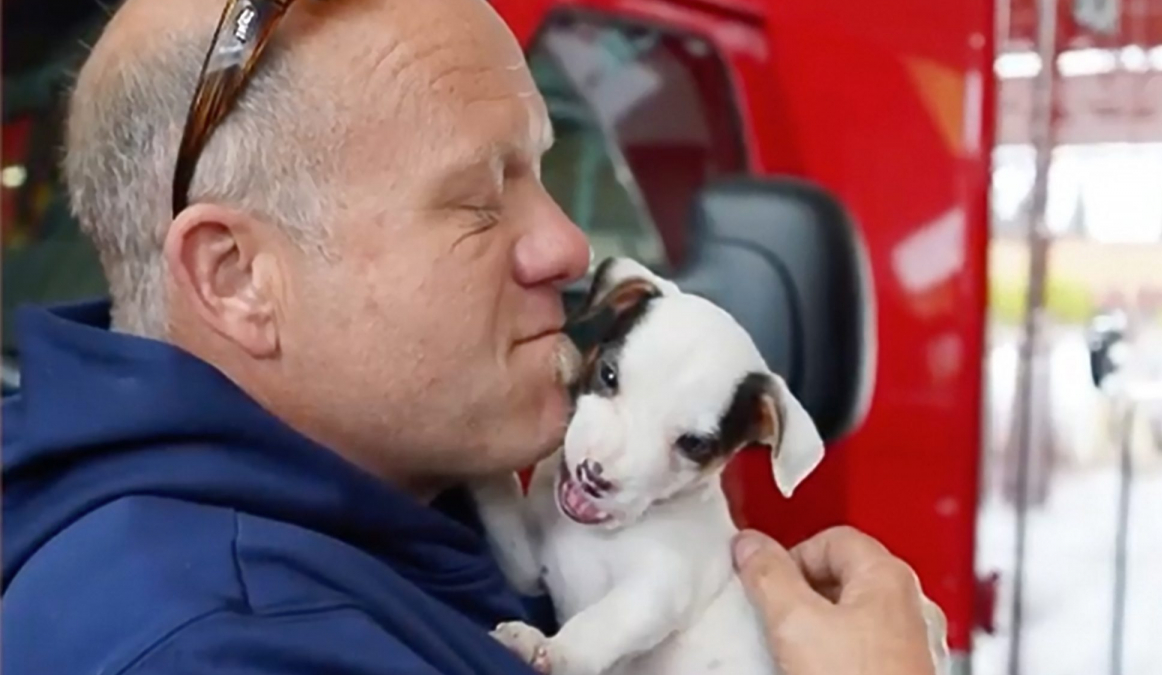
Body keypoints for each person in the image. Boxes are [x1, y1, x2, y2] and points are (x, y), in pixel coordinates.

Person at [0, 1, 936, 674]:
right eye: (479, 200)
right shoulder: (224, 640)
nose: (568, 244)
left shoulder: (401, 503)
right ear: (239, 278)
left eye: (541, 170)